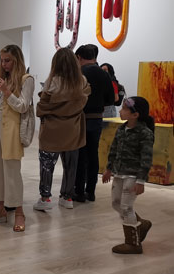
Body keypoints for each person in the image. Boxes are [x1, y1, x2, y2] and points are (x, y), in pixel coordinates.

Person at [0, 44, 34, 232]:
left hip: (11, 128)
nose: (3, 64)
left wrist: (6, 91)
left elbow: (23, 106)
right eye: (2, 60)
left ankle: (19, 212)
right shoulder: (2, 78)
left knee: (11, 172)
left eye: (7, 60)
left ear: (17, 60)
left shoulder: (26, 80)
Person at [33, 48, 90, 211]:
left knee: (47, 165)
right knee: (71, 166)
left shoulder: (51, 82)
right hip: (73, 129)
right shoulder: (82, 82)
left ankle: (45, 198)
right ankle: (67, 197)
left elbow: (42, 107)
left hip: (52, 130)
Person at [102, 96, 154, 254]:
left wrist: (141, 180)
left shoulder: (145, 133)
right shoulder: (121, 129)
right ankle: (141, 224)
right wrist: (109, 169)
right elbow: (113, 149)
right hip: (119, 173)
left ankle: (133, 243)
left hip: (132, 176)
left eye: (124, 109)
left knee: (126, 207)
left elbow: (146, 158)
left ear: (135, 115)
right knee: (116, 203)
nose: (121, 111)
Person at [73, 44, 114, 203]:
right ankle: (90, 191)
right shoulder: (104, 74)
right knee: (93, 155)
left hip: (80, 118)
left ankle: (79, 191)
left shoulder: (79, 73)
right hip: (97, 119)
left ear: (79, 57)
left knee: (80, 156)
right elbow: (111, 99)